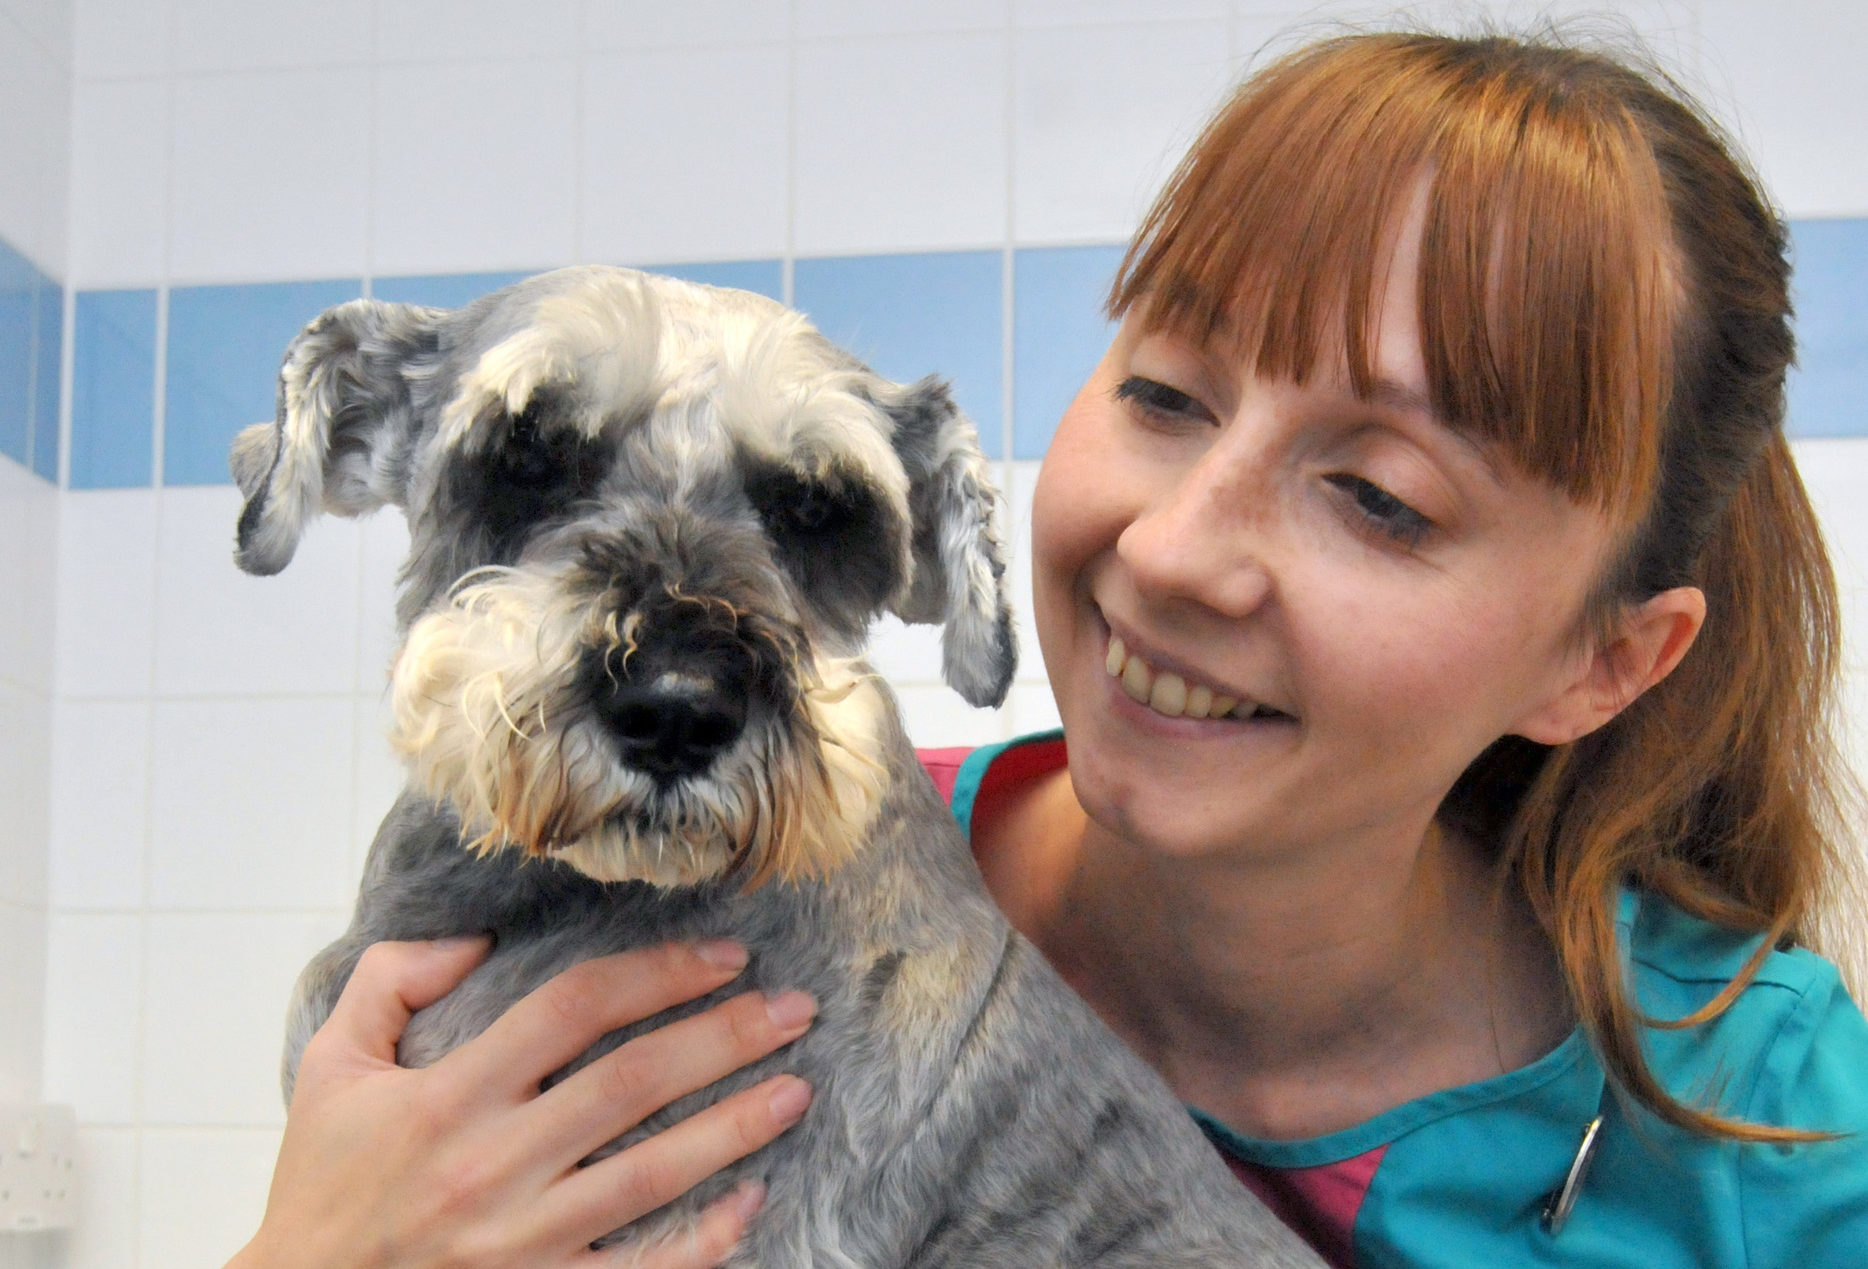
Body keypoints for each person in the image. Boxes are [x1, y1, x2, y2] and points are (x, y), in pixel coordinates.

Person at [229, 28, 1868, 1269]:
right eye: (1164, 396)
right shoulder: (718, 876)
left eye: (1376, 495)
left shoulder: (1766, 1112)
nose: (1170, 550)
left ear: (1604, 663)